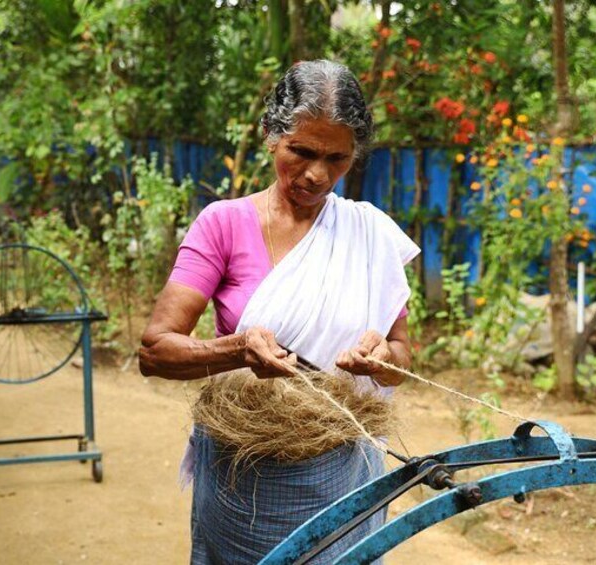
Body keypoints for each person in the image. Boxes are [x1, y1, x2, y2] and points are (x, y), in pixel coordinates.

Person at [139, 60, 420, 563]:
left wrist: (383, 358)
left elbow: (401, 355)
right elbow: (156, 351)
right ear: (271, 135)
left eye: (337, 159)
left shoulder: (368, 233)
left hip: (344, 479)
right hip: (244, 483)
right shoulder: (222, 224)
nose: (316, 174)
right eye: (302, 151)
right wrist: (237, 349)